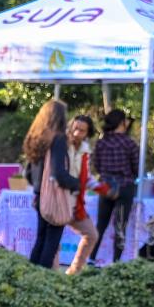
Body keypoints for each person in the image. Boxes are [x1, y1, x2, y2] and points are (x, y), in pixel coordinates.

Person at [21, 99, 73, 269]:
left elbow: (28, 173)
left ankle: (31, 278)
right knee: (51, 242)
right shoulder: (57, 139)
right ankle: (42, 282)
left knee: (41, 239)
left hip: (37, 196)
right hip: (52, 197)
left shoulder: (35, 138)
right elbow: (59, 173)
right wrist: (78, 183)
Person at [92, 108, 140, 264]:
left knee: (101, 225)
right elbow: (137, 167)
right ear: (121, 123)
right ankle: (116, 262)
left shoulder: (101, 143)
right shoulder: (129, 143)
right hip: (125, 187)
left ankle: (91, 259)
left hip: (106, 186)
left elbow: (96, 166)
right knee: (120, 226)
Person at [61, 114, 102, 276]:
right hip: (60, 199)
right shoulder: (62, 145)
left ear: (87, 133)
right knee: (53, 239)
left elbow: (86, 176)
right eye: (75, 129)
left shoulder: (85, 150)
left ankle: (73, 272)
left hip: (76, 202)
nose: (77, 133)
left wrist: (101, 188)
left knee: (91, 234)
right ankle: (51, 274)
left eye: (82, 131)